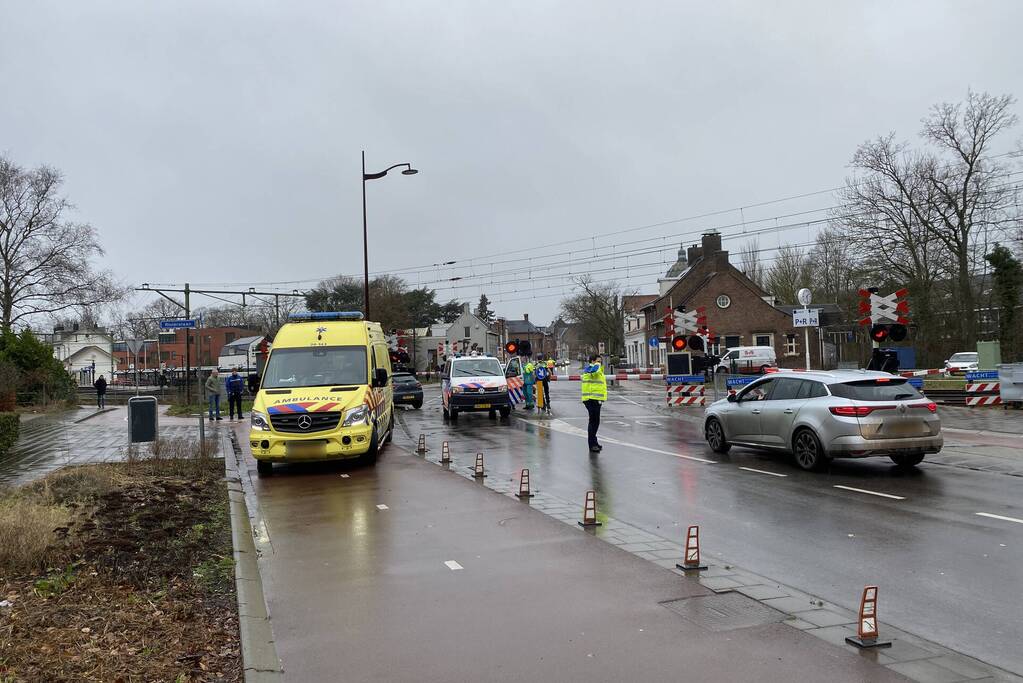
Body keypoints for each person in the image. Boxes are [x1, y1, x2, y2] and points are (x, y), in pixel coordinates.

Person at [581, 354, 607, 453]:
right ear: (592, 361)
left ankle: (594, 442)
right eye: (598, 361)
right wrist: (598, 365)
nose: (599, 363)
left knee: (595, 421)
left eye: (600, 361)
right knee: (593, 422)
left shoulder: (592, 369)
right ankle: (592, 445)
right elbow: (594, 371)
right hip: (592, 399)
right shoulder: (592, 369)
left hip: (594, 398)